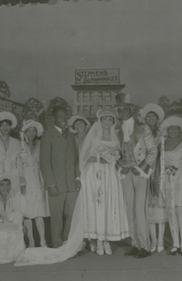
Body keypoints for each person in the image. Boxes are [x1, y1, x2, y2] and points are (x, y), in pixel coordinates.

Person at [79, 109, 130, 256]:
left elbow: (120, 156)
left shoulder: (116, 137)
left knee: (110, 204)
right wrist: (100, 159)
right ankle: (98, 240)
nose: (107, 122)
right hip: (96, 173)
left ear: (113, 121)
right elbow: (85, 157)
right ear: (100, 121)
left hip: (111, 174)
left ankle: (107, 239)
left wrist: (115, 158)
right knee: (98, 205)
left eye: (110, 119)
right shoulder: (94, 136)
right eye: (105, 119)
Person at [116, 93, 157, 258]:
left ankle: (145, 246)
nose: (123, 112)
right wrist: (121, 166)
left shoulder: (143, 127)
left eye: (126, 109)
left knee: (140, 209)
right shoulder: (117, 130)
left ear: (131, 110)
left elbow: (153, 150)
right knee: (129, 209)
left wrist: (141, 167)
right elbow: (114, 153)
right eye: (120, 110)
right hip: (126, 173)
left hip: (140, 173)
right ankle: (135, 243)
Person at [39, 106, 80, 248]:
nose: (64, 119)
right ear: (54, 119)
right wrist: (50, 184)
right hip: (56, 184)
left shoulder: (71, 136)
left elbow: (75, 160)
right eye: (60, 117)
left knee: (72, 215)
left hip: (71, 185)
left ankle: (67, 242)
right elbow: (44, 162)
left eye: (66, 117)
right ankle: (57, 244)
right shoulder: (48, 135)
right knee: (56, 217)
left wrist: (77, 178)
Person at [160, 115, 182, 256]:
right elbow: (159, 165)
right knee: (171, 211)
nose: (173, 131)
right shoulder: (162, 144)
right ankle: (175, 243)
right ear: (167, 130)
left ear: (180, 130)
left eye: (176, 128)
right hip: (167, 180)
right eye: (171, 129)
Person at [18, 120, 49, 248]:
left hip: (38, 179)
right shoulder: (21, 146)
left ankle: (42, 240)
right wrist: (21, 182)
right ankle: (30, 240)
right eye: (29, 131)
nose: (31, 133)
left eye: (33, 131)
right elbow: (18, 165)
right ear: (25, 132)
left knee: (38, 212)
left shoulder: (41, 145)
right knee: (26, 212)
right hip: (25, 179)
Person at [0, 112, 25, 210]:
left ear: (11, 126)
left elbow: (20, 164)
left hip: (14, 177)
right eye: (2, 125)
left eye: (7, 124)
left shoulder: (17, 143)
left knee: (14, 205)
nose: (5, 127)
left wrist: (22, 183)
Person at [141, 103, 166, 253]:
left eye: (153, 116)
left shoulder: (163, 132)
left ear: (157, 119)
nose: (150, 118)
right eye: (148, 116)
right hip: (146, 169)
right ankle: (153, 240)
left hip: (161, 170)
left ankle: (161, 240)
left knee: (161, 205)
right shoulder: (142, 132)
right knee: (148, 205)